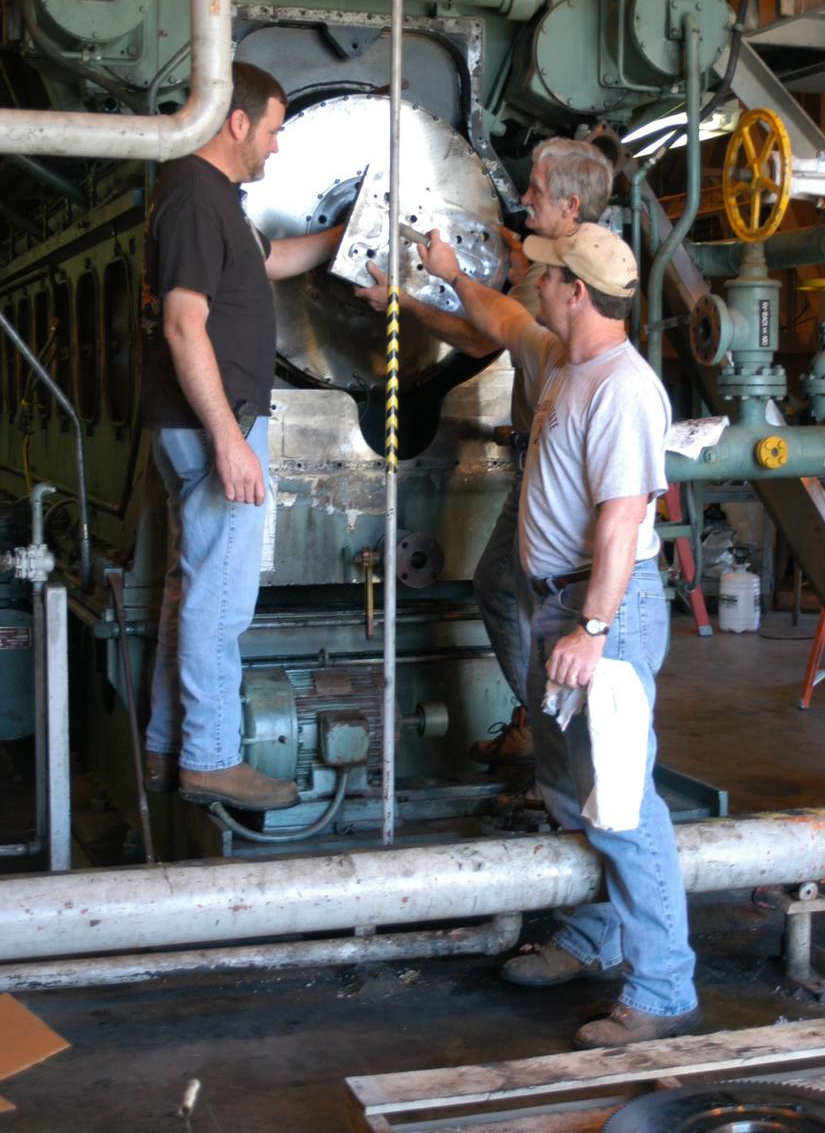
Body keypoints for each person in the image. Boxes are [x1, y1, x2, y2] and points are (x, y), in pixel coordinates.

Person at [412, 221, 700, 1048]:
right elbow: (501, 322)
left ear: (576, 291)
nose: (533, 284)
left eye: (544, 278)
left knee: (621, 806)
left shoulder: (622, 388)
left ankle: (663, 988)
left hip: (599, 609)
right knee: (570, 791)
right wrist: (434, 281)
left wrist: (593, 629)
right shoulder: (563, 363)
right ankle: (594, 934)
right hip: (555, 605)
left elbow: (619, 522)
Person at [357, 139, 613, 770]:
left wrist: (412, 299)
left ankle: (555, 736)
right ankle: (550, 729)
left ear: (572, 205)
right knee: (508, 587)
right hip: (545, 460)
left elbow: (485, 335)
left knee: (537, 597)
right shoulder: (556, 261)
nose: (523, 201)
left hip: (555, 467)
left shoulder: (564, 280)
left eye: (535, 194)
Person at [141, 61, 342, 811]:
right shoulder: (194, 196)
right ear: (235, 122)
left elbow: (276, 261)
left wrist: (345, 235)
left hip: (210, 422)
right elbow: (181, 322)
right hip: (212, 425)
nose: (277, 146)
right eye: (272, 129)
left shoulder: (217, 201)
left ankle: (169, 746)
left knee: (189, 588)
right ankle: (211, 757)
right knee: (220, 600)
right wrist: (228, 437)